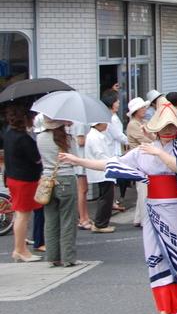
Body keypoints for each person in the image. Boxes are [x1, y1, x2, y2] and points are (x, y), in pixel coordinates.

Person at [60, 99, 177, 314]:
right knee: (156, 257)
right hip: (155, 210)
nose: (168, 131)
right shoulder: (141, 152)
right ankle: (165, 313)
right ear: (155, 128)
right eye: (164, 126)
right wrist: (78, 161)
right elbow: (110, 163)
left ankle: (176, 303)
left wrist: (160, 153)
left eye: (172, 126)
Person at [37, 115, 78, 267]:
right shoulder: (67, 139)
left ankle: (52, 256)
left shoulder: (40, 138)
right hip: (66, 179)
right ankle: (68, 258)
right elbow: (75, 159)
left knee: (50, 219)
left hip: (47, 181)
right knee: (68, 220)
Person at [3, 103, 43, 261]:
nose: (33, 120)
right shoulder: (23, 138)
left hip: (14, 177)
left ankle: (20, 249)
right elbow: (36, 158)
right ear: (24, 118)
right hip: (24, 179)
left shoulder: (9, 134)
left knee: (21, 214)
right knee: (22, 215)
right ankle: (20, 250)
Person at [84, 119, 119, 233]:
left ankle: (101, 223)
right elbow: (100, 154)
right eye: (104, 123)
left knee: (106, 197)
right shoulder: (94, 137)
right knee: (105, 197)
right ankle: (100, 224)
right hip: (102, 170)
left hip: (103, 169)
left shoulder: (97, 135)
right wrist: (113, 161)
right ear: (97, 124)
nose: (106, 125)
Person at [125, 96, 153, 225]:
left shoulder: (142, 122)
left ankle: (138, 218)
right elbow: (147, 140)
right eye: (142, 108)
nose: (144, 109)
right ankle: (144, 220)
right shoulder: (133, 125)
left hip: (144, 159)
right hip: (140, 160)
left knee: (142, 189)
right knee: (143, 191)